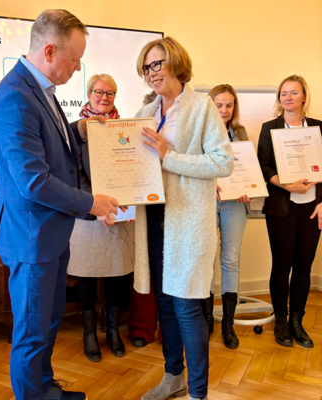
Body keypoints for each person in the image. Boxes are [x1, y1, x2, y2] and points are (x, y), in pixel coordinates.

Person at [0, 9, 126, 400]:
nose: (78, 67)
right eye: (75, 58)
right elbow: (34, 181)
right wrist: (91, 203)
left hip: (49, 233)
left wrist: (82, 128)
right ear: (50, 51)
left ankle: (45, 389)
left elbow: (54, 142)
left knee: (48, 321)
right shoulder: (15, 97)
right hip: (31, 236)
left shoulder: (39, 89)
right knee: (32, 332)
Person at [133, 37, 234, 400]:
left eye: (157, 64)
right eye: (147, 67)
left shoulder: (201, 106)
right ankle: (173, 376)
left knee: (186, 305)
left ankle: (197, 393)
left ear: (175, 62)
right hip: (154, 216)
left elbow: (223, 162)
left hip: (188, 221)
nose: (151, 72)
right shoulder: (145, 110)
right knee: (163, 301)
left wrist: (169, 155)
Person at [68, 74, 135, 362]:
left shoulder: (126, 128)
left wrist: (128, 205)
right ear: (89, 94)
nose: (104, 98)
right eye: (99, 92)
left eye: (110, 93)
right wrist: (95, 206)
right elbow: (73, 174)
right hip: (87, 214)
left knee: (117, 274)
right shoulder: (75, 131)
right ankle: (89, 334)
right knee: (87, 275)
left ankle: (113, 331)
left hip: (118, 212)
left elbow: (132, 169)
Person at [258, 74, 322, 349]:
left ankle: (298, 321)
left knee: (304, 267)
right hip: (281, 207)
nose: (288, 97)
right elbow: (263, 165)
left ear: (304, 97)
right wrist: (287, 185)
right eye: (283, 93)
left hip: (313, 208)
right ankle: (281, 322)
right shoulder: (269, 127)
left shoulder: (319, 128)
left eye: (294, 92)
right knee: (282, 266)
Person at [202, 84, 253, 349]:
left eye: (229, 105)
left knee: (230, 259)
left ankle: (228, 324)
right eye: (219, 104)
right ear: (210, 105)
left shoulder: (240, 133)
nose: (224, 110)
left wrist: (248, 189)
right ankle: (207, 320)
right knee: (208, 258)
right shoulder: (199, 131)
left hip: (235, 203)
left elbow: (248, 170)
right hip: (207, 201)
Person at [128, 89, 162, 349]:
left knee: (169, 271)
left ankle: (168, 329)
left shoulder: (178, 131)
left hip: (174, 205)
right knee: (145, 268)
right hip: (144, 205)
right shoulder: (134, 131)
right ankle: (142, 327)